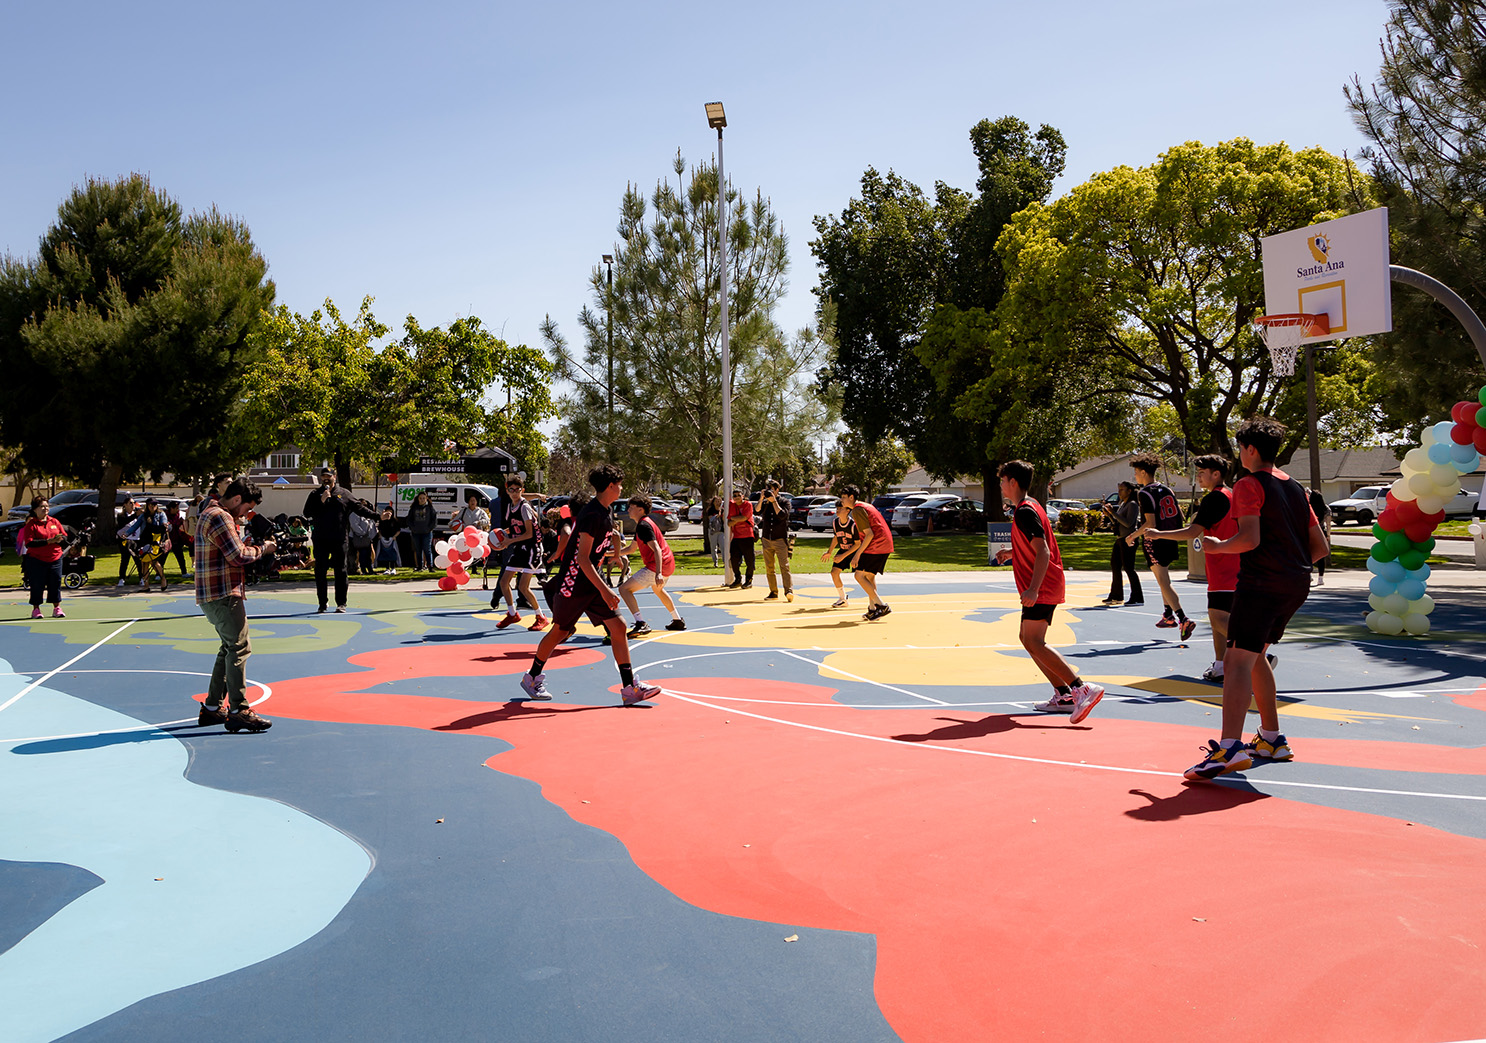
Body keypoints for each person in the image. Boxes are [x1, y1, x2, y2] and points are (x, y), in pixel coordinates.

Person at [1184, 418, 1329, 781]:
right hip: (1295, 584)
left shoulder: (1249, 484)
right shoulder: (1296, 489)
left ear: (1250, 449)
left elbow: (1249, 538)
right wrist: (1288, 568)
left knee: (1235, 661)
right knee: (1255, 656)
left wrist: (1218, 546)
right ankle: (1271, 738)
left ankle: (1229, 748)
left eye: (1240, 448)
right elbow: (1320, 547)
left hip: (1261, 584)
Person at [518, 464, 662, 707]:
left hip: (591, 582)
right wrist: (605, 590)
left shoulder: (605, 511)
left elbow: (601, 546)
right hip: (574, 583)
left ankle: (629, 688)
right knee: (560, 631)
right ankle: (531, 678)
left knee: (618, 627)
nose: (622, 489)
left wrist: (615, 553)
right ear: (611, 486)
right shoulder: (592, 514)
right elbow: (583, 559)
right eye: (619, 485)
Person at [993, 461, 1105, 723]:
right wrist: (1012, 552)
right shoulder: (1030, 506)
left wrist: (1033, 588)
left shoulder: (1025, 511)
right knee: (1026, 638)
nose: (1001, 486)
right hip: (1044, 583)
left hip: (1042, 585)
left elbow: (1043, 551)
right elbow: (1035, 546)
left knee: (1034, 641)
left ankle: (1081, 689)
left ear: (1013, 482)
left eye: (1002, 481)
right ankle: (1064, 695)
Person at [1145, 456, 1240, 681]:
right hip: (1234, 566)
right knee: (1218, 618)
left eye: (1201, 473)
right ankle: (1220, 666)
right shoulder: (1232, 495)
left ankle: (1257, 656)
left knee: (1218, 619)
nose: (1197, 477)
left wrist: (1159, 534)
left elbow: (1191, 532)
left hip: (1224, 568)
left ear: (1216, 474)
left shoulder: (1214, 498)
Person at [194, 477, 276, 732]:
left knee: (228, 648)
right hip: (223, 593)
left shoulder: (210, 512)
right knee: (239, 648)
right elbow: (238, 555)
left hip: (212, 593)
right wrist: (264, 549)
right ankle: (239, 710)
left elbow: (230, 551)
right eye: (246, 508)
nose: (245, 514)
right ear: (237, 499)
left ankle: (212, 708)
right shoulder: (221, 516)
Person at [1126, 454, 1194, 640]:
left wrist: (1132, 536)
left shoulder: (1144, 493)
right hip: (1171, 537)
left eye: (1136, 472)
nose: (1135, 476)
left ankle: (1183, 618)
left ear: (1143, 472)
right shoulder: (1167, 489)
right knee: (1164, 577)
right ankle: (1168, 615)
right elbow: (1179, 515)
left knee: (1163, 582)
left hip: (1156, 540)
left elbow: (1150, 523)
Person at [302, 467, 380, 613]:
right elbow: (307, 513)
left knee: (341, 570)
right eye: (323, 477)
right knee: (320, 571)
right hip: (321, 539)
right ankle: (322, 603)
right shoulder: (315, 494)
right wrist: (321, 501)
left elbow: (360, 508)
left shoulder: (344, 493)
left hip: (339, 538)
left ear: (334, 477)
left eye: (329, 476)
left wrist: (378, 517)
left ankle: (341, 603)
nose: (326, 479)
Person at [614, 492, 685, 636]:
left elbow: (657, 549)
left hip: (658, 565)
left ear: (640, 509)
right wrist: (611, 554)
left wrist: (658, 573)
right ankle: (677, 620)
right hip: (667, 563)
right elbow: (631, 549)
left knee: (624, 589)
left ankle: (641, 623)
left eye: (631, 507)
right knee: (658, 590)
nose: (628, 510)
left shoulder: (643, 526)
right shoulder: (643, 524)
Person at [491, 475, 548, 631]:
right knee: (504, 582)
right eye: (512, 490)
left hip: (532, 548)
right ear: (507, 491)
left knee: (523, 587)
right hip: (520, 547)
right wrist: (501, 536)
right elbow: (515, 528)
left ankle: (541, 617)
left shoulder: (524, 507)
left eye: (518, 490)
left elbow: (529, 533)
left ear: (522, 490)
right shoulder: (510, 505)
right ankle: (512, 614)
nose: (515, 493)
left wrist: (509, 541)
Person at [839, 485, 894, 620]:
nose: (842, 500)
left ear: (851, 497)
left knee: (859, 575)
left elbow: (869, 534)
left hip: (877, 544)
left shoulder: (857, 510)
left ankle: (881, 606)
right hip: (884, 543)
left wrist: (857, 555)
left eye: (844, 497)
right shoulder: (865, 506)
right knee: (869, 576)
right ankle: (873, 608)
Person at [21, 496, 68, 619]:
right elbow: (29, 543)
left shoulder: (54, 522)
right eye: (42, 506)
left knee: (55, 583)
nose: (45, 509)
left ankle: (57, 608)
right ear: (35, 509)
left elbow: (64, 536)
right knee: (37, 585)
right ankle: (36, 609)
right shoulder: (31, 525)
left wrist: (60, 539)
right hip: (36, 559)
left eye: (47, 506)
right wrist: (48, 541)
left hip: (55, 558)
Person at [1100, 482, 1143, 606]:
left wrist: (1113, 513)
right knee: (1115, 565)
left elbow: (1128, 523)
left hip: (1129, 539)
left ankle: (1137, 597)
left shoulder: (1133, 505)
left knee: (1129, 568)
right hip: (1120, 538)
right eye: (1119, 489)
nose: (1119, 492)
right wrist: (1110, 515)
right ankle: (1116, 595)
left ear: (1129, 491)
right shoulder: (1123, 504)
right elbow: (1118, 522)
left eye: (1122, 490)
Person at [820, 498, 864, 608]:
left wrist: (843, 556)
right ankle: (842, 598)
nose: (838, 510)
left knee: (865, 576)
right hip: (843, 550)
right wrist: (829, 552)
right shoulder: (835, 522)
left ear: (848, 510)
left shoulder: (853, 525)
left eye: (840, 508)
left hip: (855, 552)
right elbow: (836, 537)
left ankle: (874, 600)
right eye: (837, 508)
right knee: (834, 572)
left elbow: (857, 544)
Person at [756, 479, 793, 601]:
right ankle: (773, 592)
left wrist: (774, 501)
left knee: (784, 567)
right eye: (768, 490)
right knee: (769, 567)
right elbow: (757, 510)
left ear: (777, 490)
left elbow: (782, 515)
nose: (770, 492)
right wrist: (762, 498)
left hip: (780, 539)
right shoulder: (765, 503)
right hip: (767, 538)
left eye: (772, 490)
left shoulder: (784, 502)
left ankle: (788, 591)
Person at [126, 497, 172, 592]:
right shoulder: (143, 516)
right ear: (147, 505)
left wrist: (165, 526)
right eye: (151, 504)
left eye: (155, 504)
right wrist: (126, 534)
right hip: (144, 540)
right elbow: (135, 526)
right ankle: (146, 585)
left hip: (156, 540)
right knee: (144, 562)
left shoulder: (161, 514)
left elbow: (165, 525)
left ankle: (163, 579)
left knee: (153, 561)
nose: (153, 506)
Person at [725, 488, 755, 589]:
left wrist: (734, 518)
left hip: (747, 536)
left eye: (739, 495)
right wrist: (737, 519)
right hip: (736, 537)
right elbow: (729, 523)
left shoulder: (748, 505)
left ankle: (748, 580)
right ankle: (737, 579)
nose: (737, 497)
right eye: (735, 496)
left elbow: (744, 518)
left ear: (743, 496)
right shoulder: (732, 505)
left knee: (749, 560)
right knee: (734, 559)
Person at [405, 491, 437, 571]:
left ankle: (430, 566)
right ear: (418, 499)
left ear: (426, 499)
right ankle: (419, 566)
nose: (422, 500)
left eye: (423, 498)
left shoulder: (430, 508)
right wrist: (413, 528)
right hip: (416, 533)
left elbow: (434, 520)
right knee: (418, 550)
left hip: (427, 533)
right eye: (420, 498)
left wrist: (429, 528)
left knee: (427, 549)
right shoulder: (413, 508)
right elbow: (409, 520)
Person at [114, 496, 140, 588]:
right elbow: (124, 522)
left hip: (136, 540)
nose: (133, 505)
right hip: (125, 540)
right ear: (125, 505)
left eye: (134, 503)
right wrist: (135, 515)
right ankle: (121, 579)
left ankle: (142, 578)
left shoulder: (137, 515)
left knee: (138, 560)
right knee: (125, 560)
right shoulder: (121, 515)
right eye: (130, 503)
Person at [1309, 488, 1332, 585]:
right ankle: (1320, 578)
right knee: (1321, 555)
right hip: (1322, 531)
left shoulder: (1309, 507)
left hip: (1310, 531)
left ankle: (1309, 574)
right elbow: (1328, 523)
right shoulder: (1325, 508)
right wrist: (1328, 534)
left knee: (1308, 553)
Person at [166, 502, 192, 577]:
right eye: (176, 508)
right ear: (171, 508)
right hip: (168, 539)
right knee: (163, 557)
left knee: (180, 557)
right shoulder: (165, 516)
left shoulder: (179, 516)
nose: (178, 510)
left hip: (177, 540)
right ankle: (158, 574)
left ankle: (184, 572)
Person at [375, 505, 402, 575]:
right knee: (385, 554)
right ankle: (387, 568)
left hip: (392, 540)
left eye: (390, 512)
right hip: (383, 539)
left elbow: (398, 530)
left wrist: (394, 537)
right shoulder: (382, 521)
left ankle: (393, 568)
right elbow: (379, 529)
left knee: (392, 554)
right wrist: (380, 535)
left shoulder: (394, 521)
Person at [705, 496, 724, 568]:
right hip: (713, 531)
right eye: (716, 501)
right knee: (713, 547)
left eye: (719, 501)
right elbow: (711, 519)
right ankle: (715, 562)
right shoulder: (710, 510)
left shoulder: (723, 510)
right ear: (713, 502)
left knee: (723, 547)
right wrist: (717, 515)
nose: (718, 503)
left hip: (721, 531)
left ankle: (725, 562)